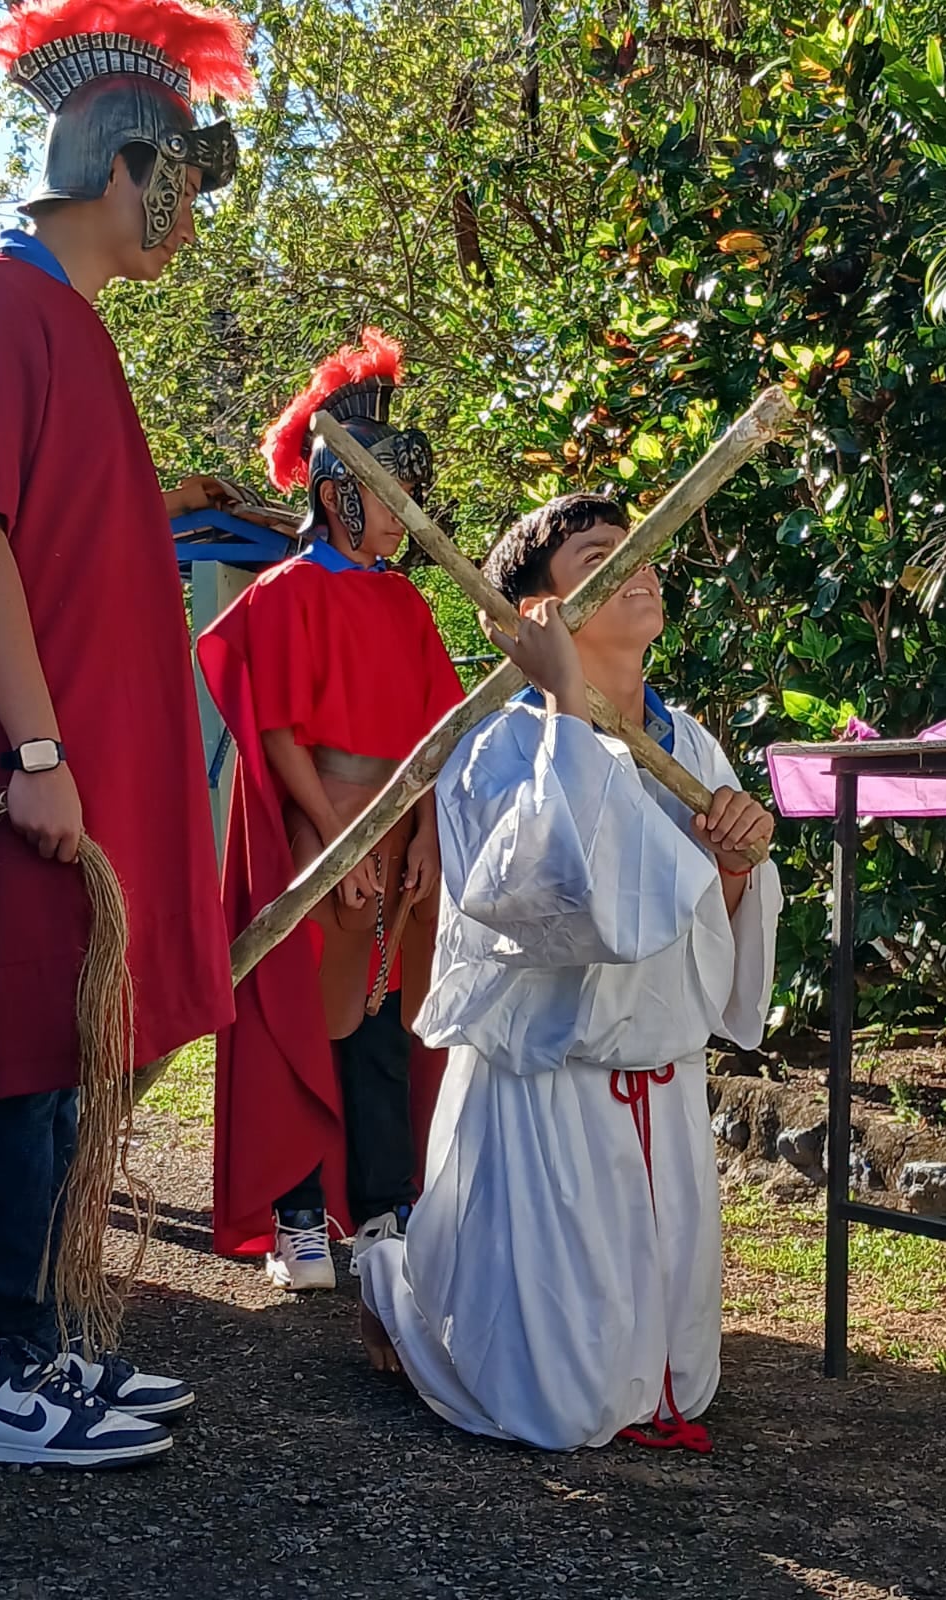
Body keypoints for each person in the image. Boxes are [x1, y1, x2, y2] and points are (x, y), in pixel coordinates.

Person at [358, 492, 782, 1452]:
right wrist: (560, 706)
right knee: (557, 1410)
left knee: (683, 1384)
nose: (642, 564)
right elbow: (541, 909)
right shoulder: (497, 747)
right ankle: (394, 1282)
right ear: (539, 612)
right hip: (546, 1095)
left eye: (643, 549)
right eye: (603, 552)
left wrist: (732, 865)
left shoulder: (694, 745)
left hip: (662, 1094)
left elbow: (697, 927)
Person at [0, 0, 250, 1467]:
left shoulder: (66, 329)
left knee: (62, 1054)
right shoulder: (3, 310)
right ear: (116, 159)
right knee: (15, 1051)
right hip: (25, 787)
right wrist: (33, 751)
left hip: (69, 791)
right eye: (178, 183)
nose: (184, 218)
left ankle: (54, 1345)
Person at [198, 329, 464, 1291]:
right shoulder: (282, 594)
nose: (402, 520)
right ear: (335, 492)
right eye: (387, 499)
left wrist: (426, 830)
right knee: (306, 1020)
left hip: (400, 839)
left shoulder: (409, 608)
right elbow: (276, 734)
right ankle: (300, 1215)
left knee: (388, 1020)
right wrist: (328, 839)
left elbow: (440, 733)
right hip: (316, 829)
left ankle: (387, 1205)